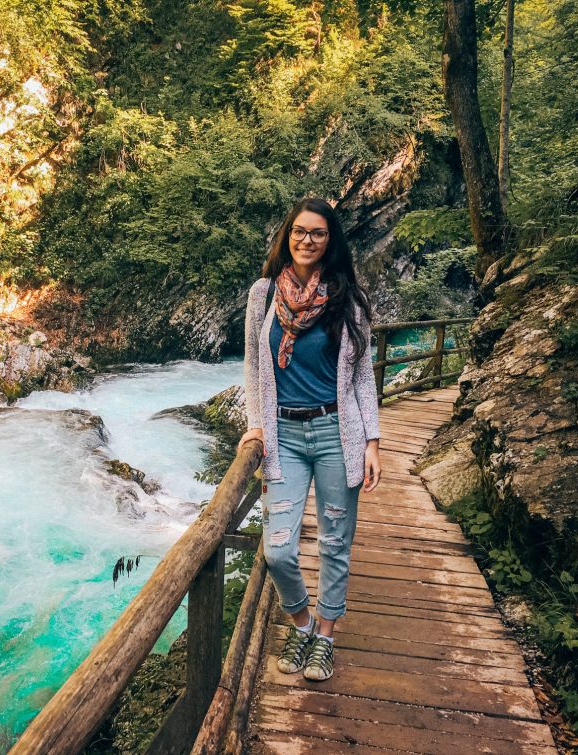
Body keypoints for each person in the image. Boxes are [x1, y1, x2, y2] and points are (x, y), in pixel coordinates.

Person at [238, 197, 381, 682]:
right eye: (299, 231)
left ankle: (324, 636)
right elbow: (254, 365)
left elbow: (362, 377)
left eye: (318, 233)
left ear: (330, 240)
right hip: (284, 435)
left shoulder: (349, 298)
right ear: (287, 235)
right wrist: (256, 423)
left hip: (336, 431)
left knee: (336, 542)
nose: (307, 240)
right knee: (278, 549)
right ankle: (301, 622)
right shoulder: (263, 294)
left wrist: (373, 441)